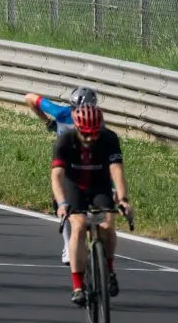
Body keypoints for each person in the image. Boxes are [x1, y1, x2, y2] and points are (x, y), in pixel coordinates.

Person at [52, 102, 132, 305]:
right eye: (85, 134)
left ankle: (109, 269)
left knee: (107, 224)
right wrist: (61, 203)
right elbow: (57, 175)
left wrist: (123, 199)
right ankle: (78, 286)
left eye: (94, 134)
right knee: (79, 226)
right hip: (74, 186)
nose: (90, 139)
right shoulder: (64, 140)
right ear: (76, 127)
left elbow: (116, 170)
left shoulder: (109, 138)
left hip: (99, 186)